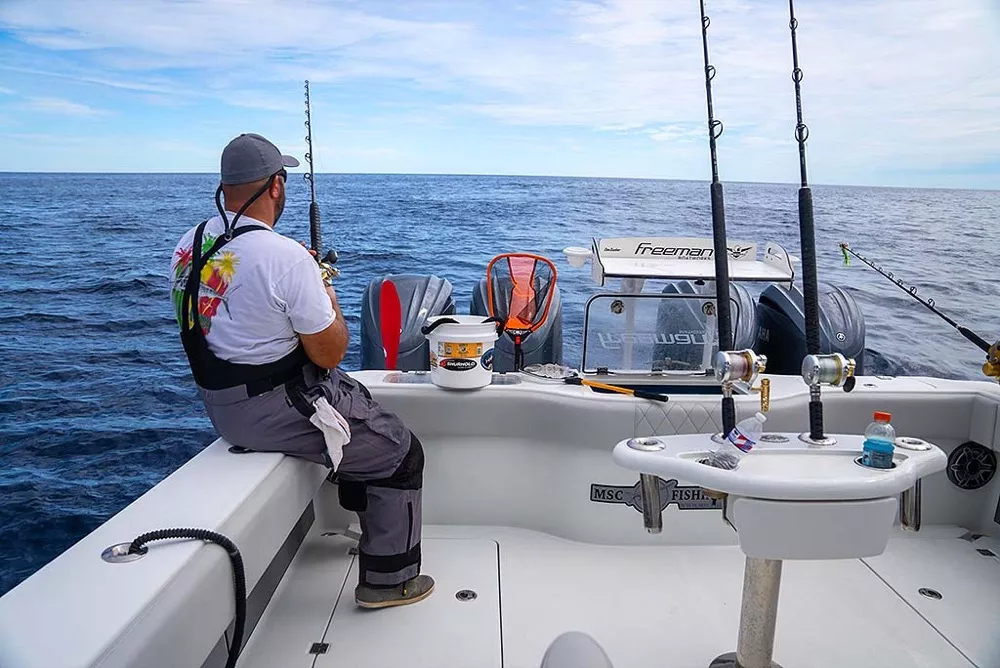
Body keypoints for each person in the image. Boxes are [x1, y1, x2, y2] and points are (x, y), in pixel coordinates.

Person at [169, 133, 433, 609]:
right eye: (284, 180)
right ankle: (388, 582)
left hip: (223, 405)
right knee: (400, 450)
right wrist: (325, 295)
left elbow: (240, 320)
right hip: (274, 408)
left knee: (362, 402)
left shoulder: (190, 244)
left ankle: (361, 516)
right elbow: (330, 353)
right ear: (275, 185)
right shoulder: (285, 256)